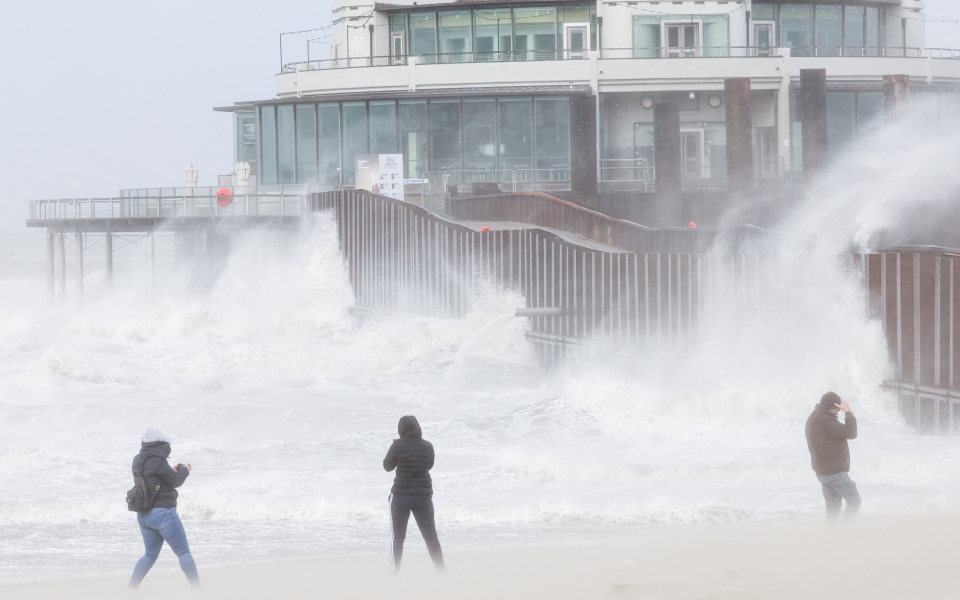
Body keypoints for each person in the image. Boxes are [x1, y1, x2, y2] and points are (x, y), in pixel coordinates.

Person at [128, 428, 200, 589]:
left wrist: (170, 471)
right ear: (161, 445)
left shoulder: (137, 460)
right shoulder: (158, 461)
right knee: (183, 553)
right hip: (162, 514)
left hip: (144, 515)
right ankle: (198, 591)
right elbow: (176, 481)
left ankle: (130, 590)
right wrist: (184, 470)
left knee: (149, 555)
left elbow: (152, 480)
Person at [383, 415, 445, 571]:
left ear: (401, 430)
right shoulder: (427, 446)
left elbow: (387, 466)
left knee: (398, 537)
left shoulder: (398, 446)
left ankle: (395, 572)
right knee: (430, 536)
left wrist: (397, 449)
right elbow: (428, 465)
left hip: (400, 496)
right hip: (423, 497)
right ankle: (442, 571)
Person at [805, 392, 861, 521]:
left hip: (823, 471)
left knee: (833, 510)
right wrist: (848, 412)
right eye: (838, 409)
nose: (838, 412)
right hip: (834, 472)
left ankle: (832, 536)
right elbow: (851, 433)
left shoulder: (815, 416)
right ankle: (845, 532)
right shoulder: (826, 421)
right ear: (834, 406)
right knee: (854, 501)